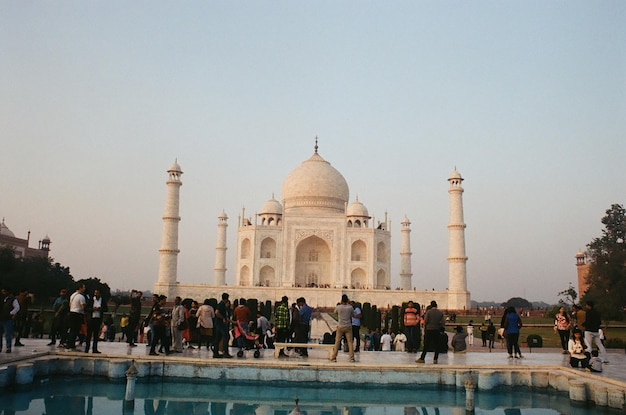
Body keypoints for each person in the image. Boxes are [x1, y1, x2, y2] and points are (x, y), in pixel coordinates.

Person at [329, 294, 355, 362]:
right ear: (347, 300)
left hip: (340, 326)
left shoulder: (339, 307)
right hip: (348, 326)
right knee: (350, 342)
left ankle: (334, 357)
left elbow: (335, 312)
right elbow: (353, 315)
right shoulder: (350, 307)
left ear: (341, 300)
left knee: (337, 341)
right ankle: (351, 358)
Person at [84, 288, 107, 353]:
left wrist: (100, 309)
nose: (96, 294)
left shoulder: (102, 301)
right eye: (95, 293)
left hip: (98, 319)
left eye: (97, 293)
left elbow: (106, 309)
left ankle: (95, 349)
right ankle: (87, 348)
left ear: (100, 294)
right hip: (91, 319)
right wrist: (92, 309)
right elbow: (86, 308)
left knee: (96, 335)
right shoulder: (91, 300)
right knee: (89, 335)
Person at [66, 283, 86, 351]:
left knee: (72, 330)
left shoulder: (73, 295)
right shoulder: (81, 297)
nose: (84, 289)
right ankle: (71, 345)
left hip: (71, 312)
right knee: (76, 330)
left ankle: (69, 344)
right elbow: (83, 307)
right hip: (77, 314)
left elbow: (70, 304)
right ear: (80, 288)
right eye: (83, 287)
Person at [0, 288, 20, 353]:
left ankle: (8, 347)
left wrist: (11, 313)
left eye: (4, 292)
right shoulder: (2, 299)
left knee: (8, 334)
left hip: (7, 319)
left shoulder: (12, 299)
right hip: (1, 318)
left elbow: (17, 307)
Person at [213, 293, 232, 358]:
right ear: (226, 299)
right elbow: (217, 312)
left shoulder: (222, 305)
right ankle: (225, 352)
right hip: (220, 324)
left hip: (219, 324)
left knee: (218, 338)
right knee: (226, 337)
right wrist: (223, 318)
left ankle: (216, 352)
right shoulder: (221, 305)